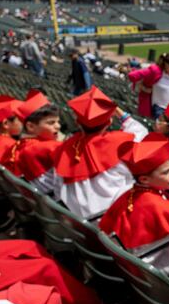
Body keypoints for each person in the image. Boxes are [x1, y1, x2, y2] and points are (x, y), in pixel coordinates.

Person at [99, 133, 169, 274]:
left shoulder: (127, 195)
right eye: (166, 172)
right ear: (144, 179)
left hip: (136, 271)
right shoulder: (158, 207)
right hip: (162, 271)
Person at [53, 86, 148, 218]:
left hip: (77, 222)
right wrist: (119, 112)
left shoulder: (63, 148)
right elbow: (141, 132)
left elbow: (57, 189)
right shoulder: (118, 142)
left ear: (76, 122)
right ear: (109, 121)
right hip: (112, 218)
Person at [6, 91, 62, 194]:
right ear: (31, 126)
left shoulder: (17, 145)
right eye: (51, 123)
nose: (58, 126)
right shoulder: (51, 147)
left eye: (58, 122)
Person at [128, 52, 169, 119]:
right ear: (166, 64)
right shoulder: (155, 71)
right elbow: (132, 75)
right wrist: (143, 87)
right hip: (161, 109)